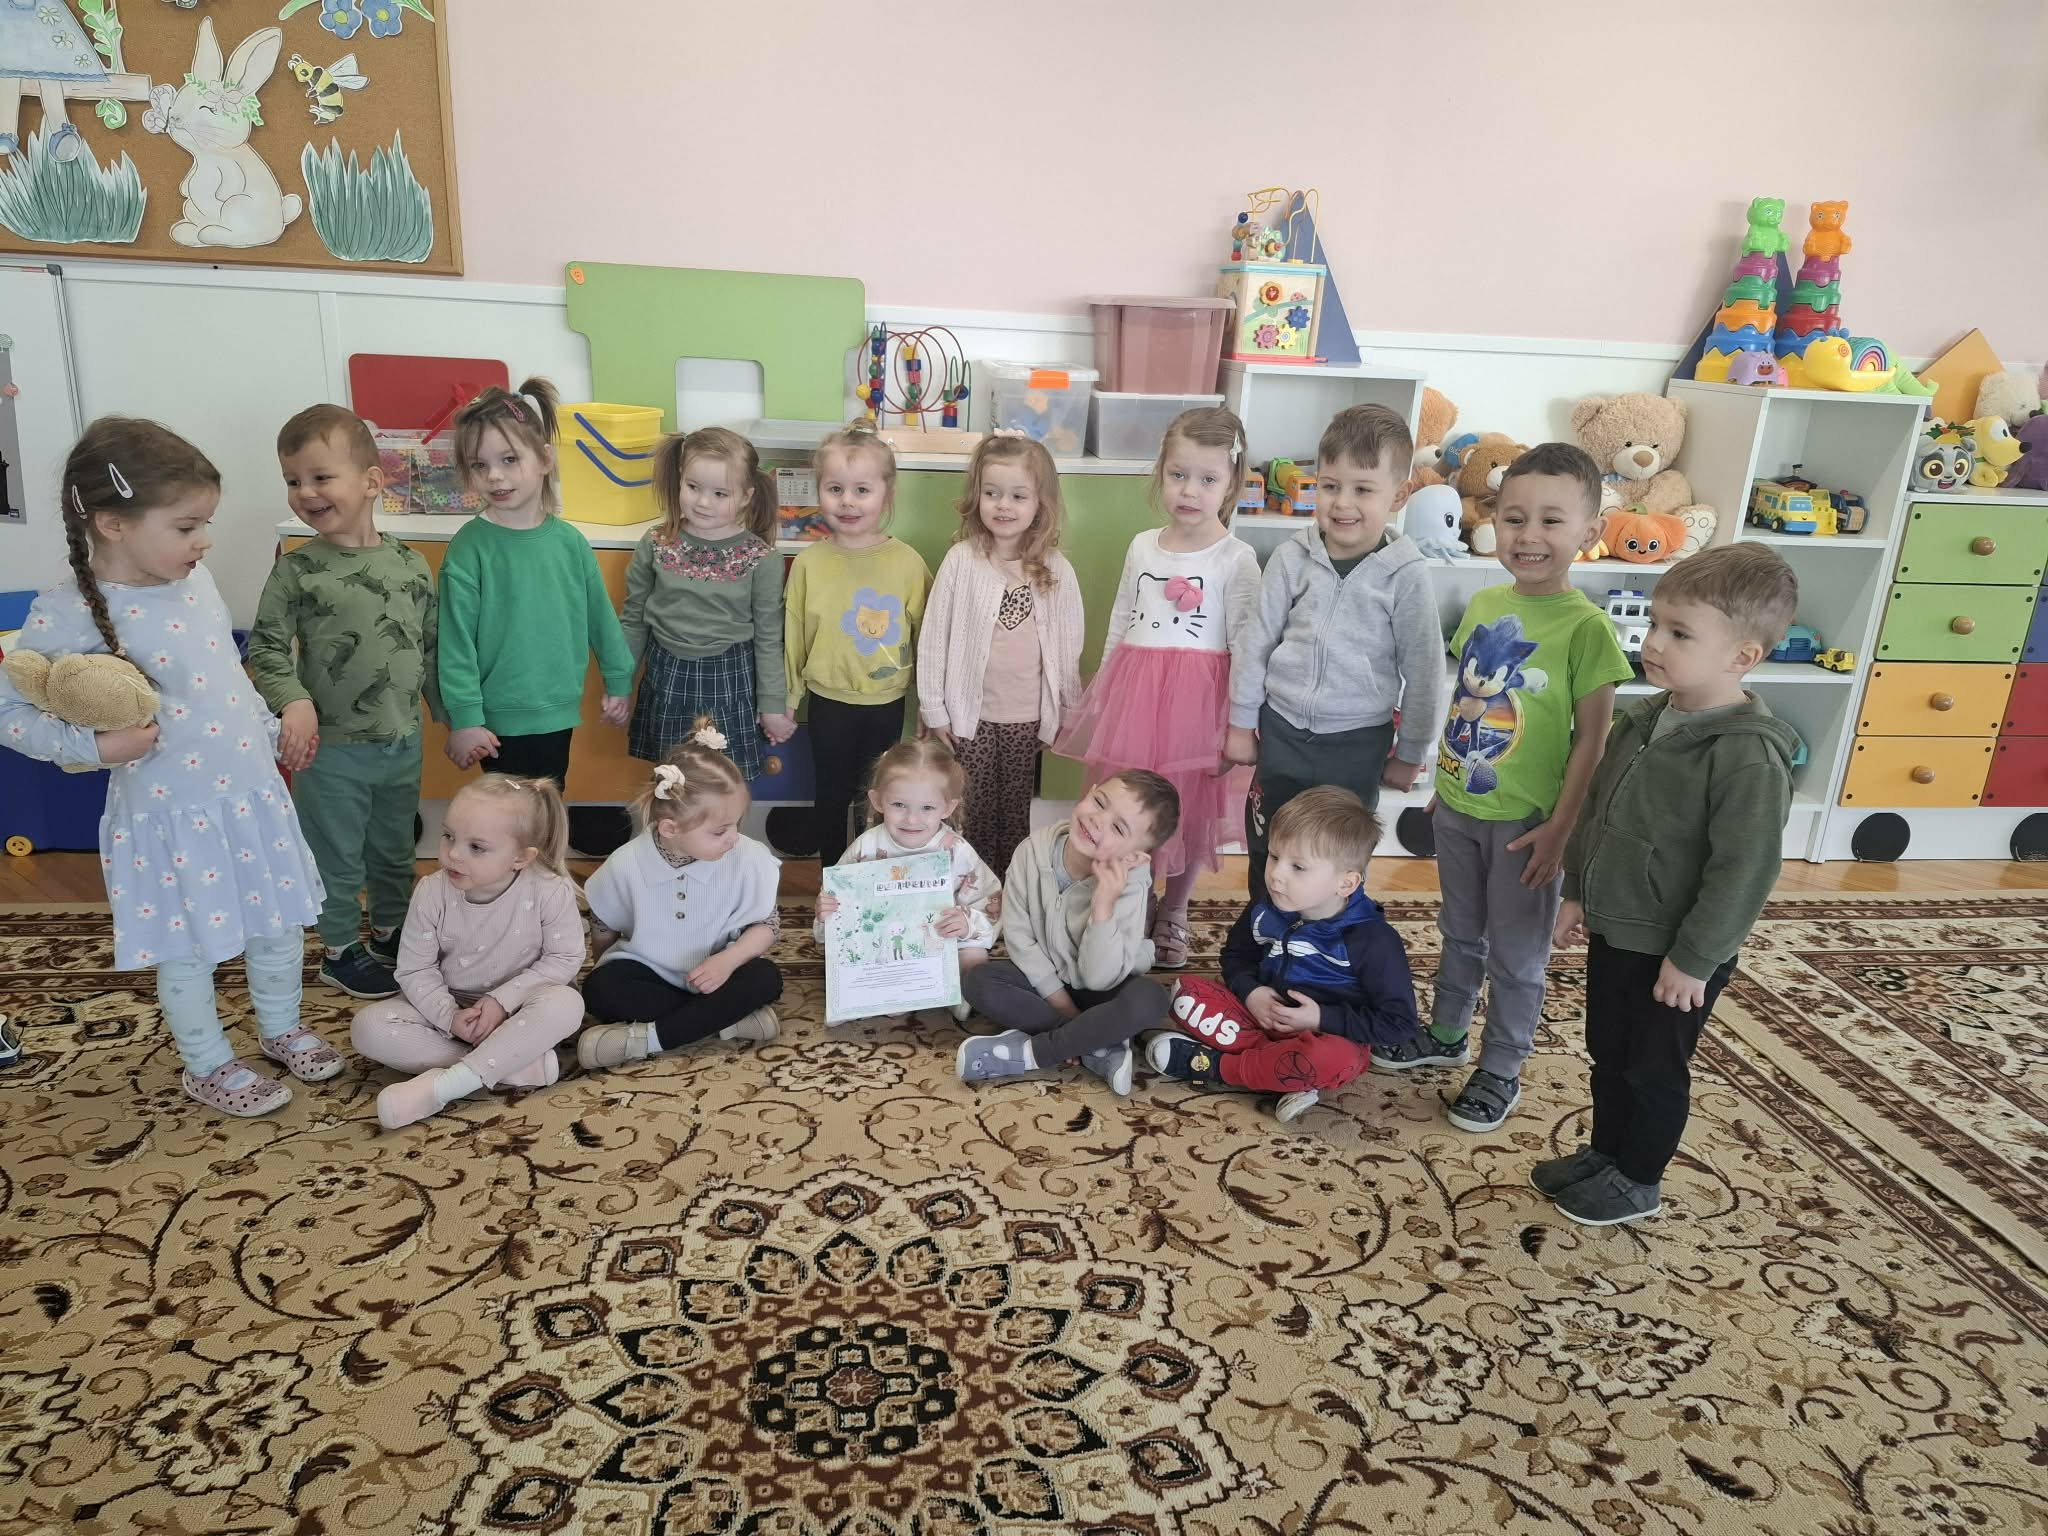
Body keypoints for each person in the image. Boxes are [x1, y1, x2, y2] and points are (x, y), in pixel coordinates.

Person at [0, 418, 330, 1115]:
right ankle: (207, 1065)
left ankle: (280, 1028)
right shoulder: (67, 611)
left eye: (204, 523)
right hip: (169, 816)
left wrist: (270, 731)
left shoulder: (195, 580)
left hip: (250, 793)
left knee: (277, 927)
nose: (204, 541)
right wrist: (96, 750)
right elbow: (11, 713)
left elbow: (224, 677)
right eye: (186, 526)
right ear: (113, 524)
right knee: (189, 950)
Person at [1377, 442, 1633, 1134]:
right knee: (1460, 932)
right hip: (1461, 807)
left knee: (1518, 956)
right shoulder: (1485, 603)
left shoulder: (1588, 629)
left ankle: (1501, 1067)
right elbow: (1471, 703)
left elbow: (1593, 741)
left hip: (1528, 827)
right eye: (1515, 519)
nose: (1528, 536)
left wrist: (1562, 830)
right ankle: (1447, 1033)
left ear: (1590, 531)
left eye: (1552, 521)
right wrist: (1446, 781)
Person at [1543, 543, 1800, 1225]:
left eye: (1679, 633)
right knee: (1609, 1051)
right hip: (1618, 927)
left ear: (1742, 656)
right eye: (1656, 624)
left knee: (1653, 1067)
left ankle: (1639, 1179)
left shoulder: (1748, 755)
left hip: (1679, 952)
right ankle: (1607, 1154)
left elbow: (1744, 870)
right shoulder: (1646, 717)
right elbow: (1597, 809)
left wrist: (1696, 958)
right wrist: (1577, 891)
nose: (1653, 641)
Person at [1054, 406, 1261, 968]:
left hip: (1198, 708)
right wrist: (1101, 697)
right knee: (1130, 804)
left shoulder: (1236, 558)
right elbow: (1121, 622)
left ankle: (1175, 907)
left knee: (1188, 810)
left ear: (1231, 484)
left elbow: (1247, 646)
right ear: (1160, 473)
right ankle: (1132, 897)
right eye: (1178, 475)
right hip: (1135, 701)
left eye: (1207, 479)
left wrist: (1238, 724)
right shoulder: (1143, 545)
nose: (1189, 490)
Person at [249, 403, 436, 1001]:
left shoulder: (411, 565)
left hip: (401, 742)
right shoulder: (297, 569)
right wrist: (292, 702)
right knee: (336, 856)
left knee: (394, 849)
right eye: (293, 480)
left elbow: (429, 647)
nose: (305, 492)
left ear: (371, 482)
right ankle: (337, 950)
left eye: (320, 477)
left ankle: (390, 932)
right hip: (329, 750)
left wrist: (456, 717)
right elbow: (266, 647)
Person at [1225, 404, 1443, 906]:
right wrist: (1240, 722)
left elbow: (1425, 671)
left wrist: (1411, 752)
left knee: (1335, 855)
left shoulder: (1406, 574)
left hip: (1356, 745)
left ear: (1398, 495)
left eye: (1363, 489)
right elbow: (1257, 641)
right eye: (1330, 486)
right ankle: (1263, 928)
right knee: (1270, 843)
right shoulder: (1291, 558)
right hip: (1281, 732)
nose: (1343, 503)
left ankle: (1327, 939)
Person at [1147, 787, 1421, 1124]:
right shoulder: (1267, 905)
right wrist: (1252, 992)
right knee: (1184, 994)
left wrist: (1320, 1018)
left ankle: (1219, 1066)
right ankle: (1281, 1071)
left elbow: (1399, 1024)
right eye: (1274, 857)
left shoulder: (1373, 941)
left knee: (1332, 1060)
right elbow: (1236, 956)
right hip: (1258, 1016)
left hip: (1325, 1038)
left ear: (1346, 884)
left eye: (1298, 867)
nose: (1276, 874)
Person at [350, 775, 585, 1129]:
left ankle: (447, 1086)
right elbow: (415, 970)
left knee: (567, 1004)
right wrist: (449, 1017)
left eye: (476, 847)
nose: (454, 854)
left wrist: (502, 1001)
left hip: (521, 1007)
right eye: (448, 836)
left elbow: (564, 959)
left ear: (521, 857)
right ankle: (512, 1065)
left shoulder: (550, 890)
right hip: (451, 1006)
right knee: (368, 1028)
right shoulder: (431, 891)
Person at [438, 378, 635, 788]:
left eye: (509, 459)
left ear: (545, 459)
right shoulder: (469, 548)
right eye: (479, 465)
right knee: (507, 815)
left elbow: (601, 619)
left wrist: (619, 682)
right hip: (495, 721)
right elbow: (455, 642)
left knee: (545, 808)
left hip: (558, 713)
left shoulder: (570, 542)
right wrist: (466, 719)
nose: (495, 476)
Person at [915, 434, 1084, 874]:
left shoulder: (1056, 569)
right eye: (992, 493)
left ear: (1040, 504)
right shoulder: (961, 561)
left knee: (1014, 812)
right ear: (978, 496)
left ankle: (1011, 891)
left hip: (1027, 717)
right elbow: (933, 638)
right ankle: (972, 887)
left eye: (1018, 496)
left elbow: (1068, 648)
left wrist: (1066, 713)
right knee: (969, 810)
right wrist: (934, 708)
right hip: (969, 717)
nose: (1003, 505)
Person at [955, 771, 1179, 1096]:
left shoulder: (1132, 883)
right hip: (1042, 984)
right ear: (1089, 791)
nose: (1098, 820)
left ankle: (1032, 1053)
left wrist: (1103, 906)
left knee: (1151, 999)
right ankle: (1096, 1046)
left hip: (1104, 987)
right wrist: (1065, 1009)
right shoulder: (1032, 851)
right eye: (1099, 802)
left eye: (1118, 828)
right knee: (978, 981)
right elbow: (1019, 938)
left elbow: (1100, 978)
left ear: (1132, 857)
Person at [576, 727, 783, 1069]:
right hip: (651, 975)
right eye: (720, 831)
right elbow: (603, 926)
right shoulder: (627, 862)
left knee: (765, 978)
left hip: (722, 972)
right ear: (670, 828)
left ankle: (646, 1040)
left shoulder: (748, 857)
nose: (733, 837)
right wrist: (609, 968)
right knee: (600, 989)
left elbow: (767, 925)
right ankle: (727, 1021)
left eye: (737, 824)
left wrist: (728, 961)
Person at [783, 424, 932, 866]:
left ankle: (874, 884)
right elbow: (793, 635)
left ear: (887, 495)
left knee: (880, 798)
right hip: (827, 702)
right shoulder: (809, 563)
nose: (847, 501)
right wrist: (787, 700)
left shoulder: (907, 563)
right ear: (820, 491)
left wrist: (930, 703)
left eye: (862, 490)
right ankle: (833, 881)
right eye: (835, 489)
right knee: (830, 796)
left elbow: (929, 638)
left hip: (886, 703)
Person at [623, 425, 792, 781]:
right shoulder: (656, 542)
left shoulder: (762, 558)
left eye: (720, 493)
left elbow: (768, 638)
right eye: (693, 487)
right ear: (679, 480)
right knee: (671, 781)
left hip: (729, 682)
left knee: (723, 781)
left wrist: (773, 705)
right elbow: (634, 619)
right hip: (668, 678)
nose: (703, 502)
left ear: (745, 497)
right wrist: (619, 684)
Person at [814, 738, 1001, 1017]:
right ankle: (896, 993)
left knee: (973, 956)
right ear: (877, 800)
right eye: (899, 805)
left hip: (945, 938)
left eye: (927, 808)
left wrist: (966, 923)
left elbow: (989, 901)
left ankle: (958, 991)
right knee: (852, 965)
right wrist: (825, 912)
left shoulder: (957, 851)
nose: (912, 820)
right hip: (887, 946)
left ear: (948, 808)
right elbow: (838, 909)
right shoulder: (865, 849)